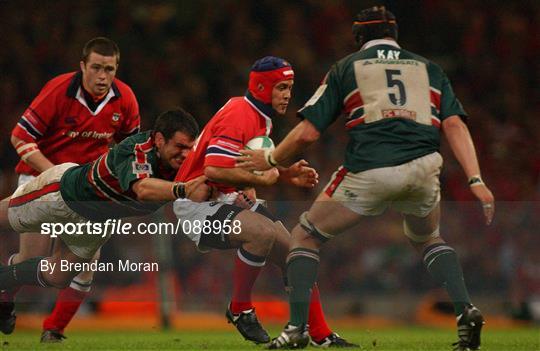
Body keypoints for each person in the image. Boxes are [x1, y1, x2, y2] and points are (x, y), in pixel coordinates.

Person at [237, 7, 495, 351]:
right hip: (425, 167)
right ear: (395, 36)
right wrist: (476, 179)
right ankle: (465, 310)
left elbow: (308, 132)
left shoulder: (347, 67)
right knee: (429, 238)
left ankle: (298, 329)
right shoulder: (429, 68)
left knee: (304, 237)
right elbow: (454, 125)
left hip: (372, 167)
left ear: (358, 38)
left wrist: (270, 158)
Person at [174, 56, 357, 347]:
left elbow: (244, 167)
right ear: (261, 86)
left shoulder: (260, 117)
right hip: (199, 205)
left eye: (290, 87)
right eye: (281, 87)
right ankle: (239, 308)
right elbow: (213, 169)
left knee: (297, 256)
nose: (287, 94)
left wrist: (285, 175)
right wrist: (266, 179)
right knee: (262, 233)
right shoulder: (240, 114)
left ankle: (321, 334)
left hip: (228, 197)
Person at [0, 109, 209, 332]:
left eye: (189, 147)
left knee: (58, 276)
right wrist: (183, 189)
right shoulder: (137, 149)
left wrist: (242, 189)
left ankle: (5, 280)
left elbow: (213, 176)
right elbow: (143, 189)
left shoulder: (186, 163)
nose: (186, 154)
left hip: (98, 221)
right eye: (179, 147)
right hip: (64, 194)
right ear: (159, 140)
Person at [3, 37, 141, 342]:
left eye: (109, 69)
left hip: (87, 192)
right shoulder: (59, 90)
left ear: (116, 69)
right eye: (96, 68)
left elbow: (132, 151)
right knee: (32, 261)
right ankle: (5, 296)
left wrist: (130, 188)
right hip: (40, 180)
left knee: (82, 266)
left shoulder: (126, 100)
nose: (102, 76)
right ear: (82, 67)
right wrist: (56, 176)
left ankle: (53, 330)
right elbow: (20, 138)